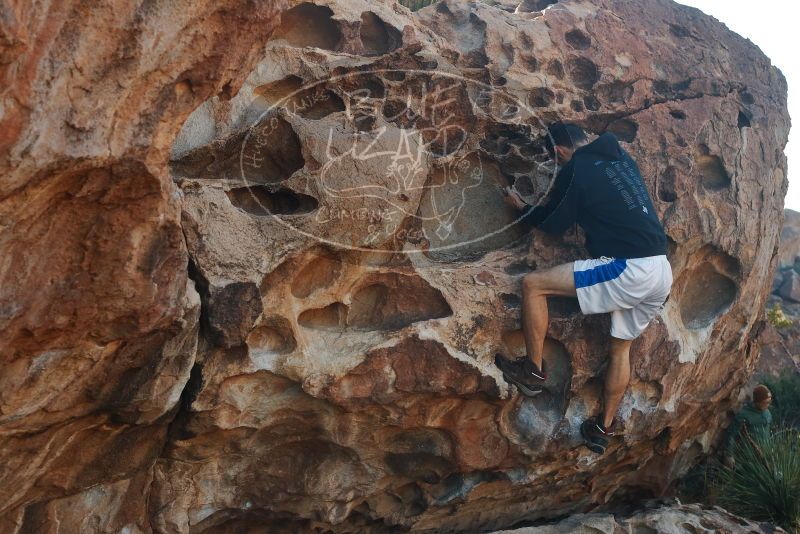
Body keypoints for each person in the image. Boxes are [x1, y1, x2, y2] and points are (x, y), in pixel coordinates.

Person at [495, 122, 673, 455]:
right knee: (620, 350)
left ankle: (532, 371)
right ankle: (602, 428)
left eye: (554, 158)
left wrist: (520, 207)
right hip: (661, 269)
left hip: (629, 268)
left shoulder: (576, 167)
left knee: (533, 285)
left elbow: (554, 224)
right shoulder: (621, 158)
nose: (556, 164)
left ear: (559, 150)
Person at [721, 384, 773, 466]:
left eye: (769, 402)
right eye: (765, 402)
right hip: (749, 456)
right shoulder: (744, 414)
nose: (768, 404)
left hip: (765, 454)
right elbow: (731, 434)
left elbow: (767, 432)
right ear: (757, 401)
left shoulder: (767, 413)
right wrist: (729, 455)